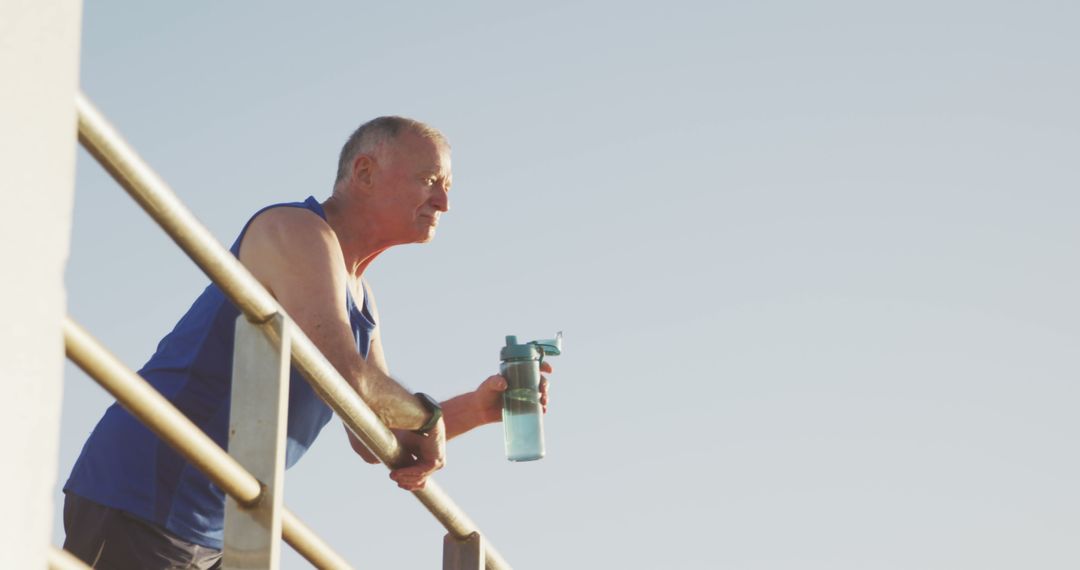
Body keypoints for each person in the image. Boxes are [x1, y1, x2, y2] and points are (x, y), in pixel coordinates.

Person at [62, 116, 551, 568]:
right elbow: (348, 377)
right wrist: (428, 417)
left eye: (447, 188)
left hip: (215, 526)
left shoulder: (361, 295)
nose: (444, 203)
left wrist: (480, 409)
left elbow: (369, 433)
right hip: (142, 492)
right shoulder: (295, 230)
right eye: (430, 182)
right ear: (364, 172)